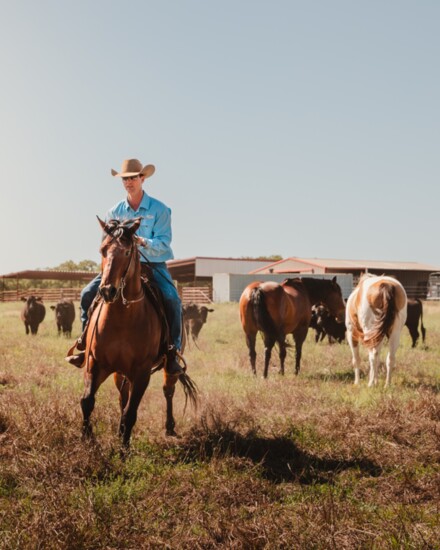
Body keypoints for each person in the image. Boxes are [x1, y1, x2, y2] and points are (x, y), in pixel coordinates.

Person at [67, 158, 183, 375]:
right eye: (124, 179)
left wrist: (142, 242)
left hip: (153, 264)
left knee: (171, 298)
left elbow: (164, 242)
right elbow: (105, 244)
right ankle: (85, 342)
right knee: (87, 294)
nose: (128, 183)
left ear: (142, 178)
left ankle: (172, 350)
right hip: (119, 265)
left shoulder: (160, 210)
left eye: (132, 178)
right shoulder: (114, 212)